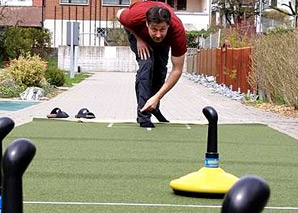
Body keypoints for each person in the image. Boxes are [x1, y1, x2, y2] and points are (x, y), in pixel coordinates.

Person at [117, 1, 187, 128]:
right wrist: (139, 38)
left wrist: (157, 97)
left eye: (162, 30)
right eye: (154, 29)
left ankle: (154, 107)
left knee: (160, 70)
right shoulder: (134, 18)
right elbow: (118, 14)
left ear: (169, 26)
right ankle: (143, 115)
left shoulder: (177, 32)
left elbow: (177, 70)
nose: (158, 34)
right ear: (147, 24)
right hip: (138, 34)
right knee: (147, 65)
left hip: (163, 41)